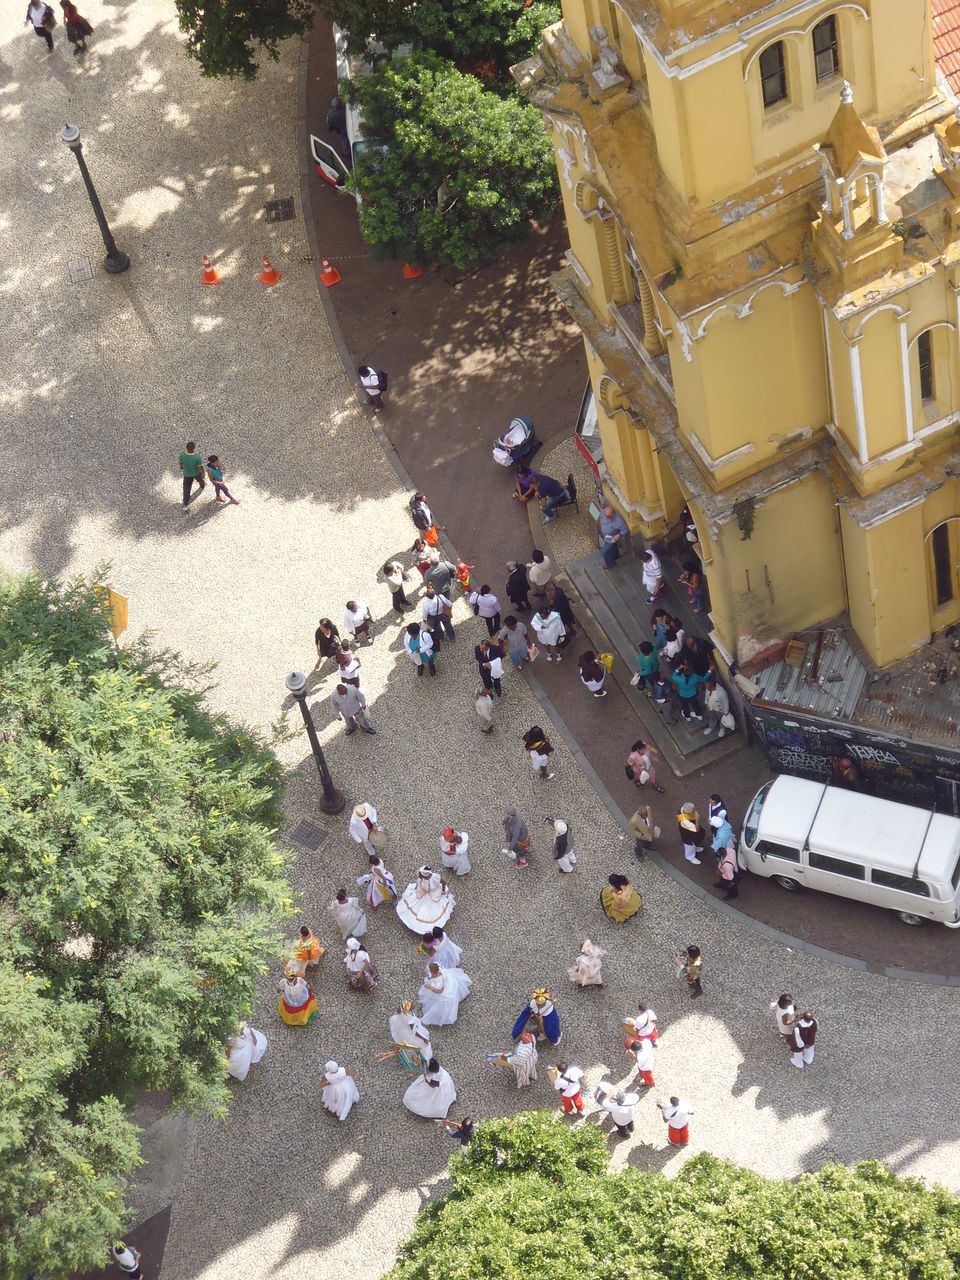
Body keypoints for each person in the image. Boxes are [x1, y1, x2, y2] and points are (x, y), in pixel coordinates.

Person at [396, 866, 455, 935]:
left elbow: (442, 882)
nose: (427, 877)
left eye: (428, 875)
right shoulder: (421, 877)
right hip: (422, 892)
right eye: (425, 876)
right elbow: (419, 883)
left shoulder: (435, 877)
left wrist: (443, 891)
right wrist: (417, 887)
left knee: (429, 911)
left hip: (433, 893)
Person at [418, 960, 472, 1026]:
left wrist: (430, 987)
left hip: (441, 991)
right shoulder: (437, 967)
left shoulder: (440, 981)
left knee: (439, 1003)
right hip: (440, 982)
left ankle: (439, 1015)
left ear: (434, 973)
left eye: (431, 973)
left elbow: (439, 991)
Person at [388, 1001, 432, 1071]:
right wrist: (424, 1039)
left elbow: (398, 1012)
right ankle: (423, 1058)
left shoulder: (401, 1009)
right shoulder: (409, 1019)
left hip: (402, 1027)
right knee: (422, 1044)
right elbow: (414, 1032)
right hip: (409, 1031)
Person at [421, 582, 455, 649]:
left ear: (427, 596)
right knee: (448, 625)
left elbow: (425, 613)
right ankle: (452, 637)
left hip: (433, 617)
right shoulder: (440, 597)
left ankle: (441, 637)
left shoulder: (426, 603)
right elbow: (450, 604)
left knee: (437, 628)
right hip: (443, 614)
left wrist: (424, 619)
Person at [712, 819, 740, 899]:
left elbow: (730, 877)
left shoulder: (726, 865)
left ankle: (732, 895)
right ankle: (722, 884)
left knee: (730, 885)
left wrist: (721, 874)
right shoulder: (731, 851)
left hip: (729, 876)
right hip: (730, 870)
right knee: (723, 881)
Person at [178, 440, 206, 509]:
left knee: (186, 489)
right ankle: (202, 485)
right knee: (200, 480)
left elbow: (180, 463)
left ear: (186, 448)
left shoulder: (181, 454)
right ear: (194, 448)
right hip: (196, 473)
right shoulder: (197, 457)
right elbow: (200, 467)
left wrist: (181, 467)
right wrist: (203, 474)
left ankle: (185, 504)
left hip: (187, 474)